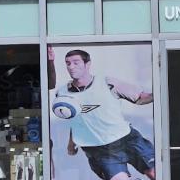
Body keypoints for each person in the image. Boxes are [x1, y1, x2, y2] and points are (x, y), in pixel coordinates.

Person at [55, 49, 155, 180]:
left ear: (87, 64)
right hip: (100, 149)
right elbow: (76, 121)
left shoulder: (107, 83)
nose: (71, 67)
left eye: (76, 62)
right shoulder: (63, 94)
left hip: (126, 139)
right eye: (68, 63)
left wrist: (161, 91)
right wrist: (71, 143)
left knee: (155, 174)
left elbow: (140, 98)